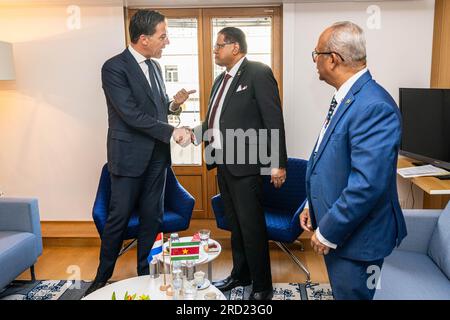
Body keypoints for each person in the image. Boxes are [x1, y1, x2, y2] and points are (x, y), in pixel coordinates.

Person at [85, 9, 194, 295]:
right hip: (129, 158)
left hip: (157, 158)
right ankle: (101, 278)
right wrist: (173, 132)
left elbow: (156, 109)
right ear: (144, 39)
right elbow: (131, 115)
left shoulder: (156, 67)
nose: (167, 42)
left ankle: (146, 275)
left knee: (153, 218)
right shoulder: (113, 67)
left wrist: (175, 105)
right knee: (117, 220)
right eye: (163, 36)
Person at [300, 21, 407, 300]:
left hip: (357, 241)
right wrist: (310, 203)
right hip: (344, 232)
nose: (315, 61)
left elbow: (366, 185)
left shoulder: (373, 106)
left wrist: (328, 231)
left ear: (333, 59)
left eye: (317, 54)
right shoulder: (348, 97)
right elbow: (329, 161)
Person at [192, 27, 287, 300]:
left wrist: (277, 163)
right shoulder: (219, 80)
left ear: (235, 47)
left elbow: (273, 119)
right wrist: (193, 134)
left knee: (252, 227)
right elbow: (215, 122)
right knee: (236, 225)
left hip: (247, 167)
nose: (215, 50)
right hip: (223, 164)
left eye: (219, 45)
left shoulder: (257, 72)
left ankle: (262, 287)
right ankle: (240, 275)